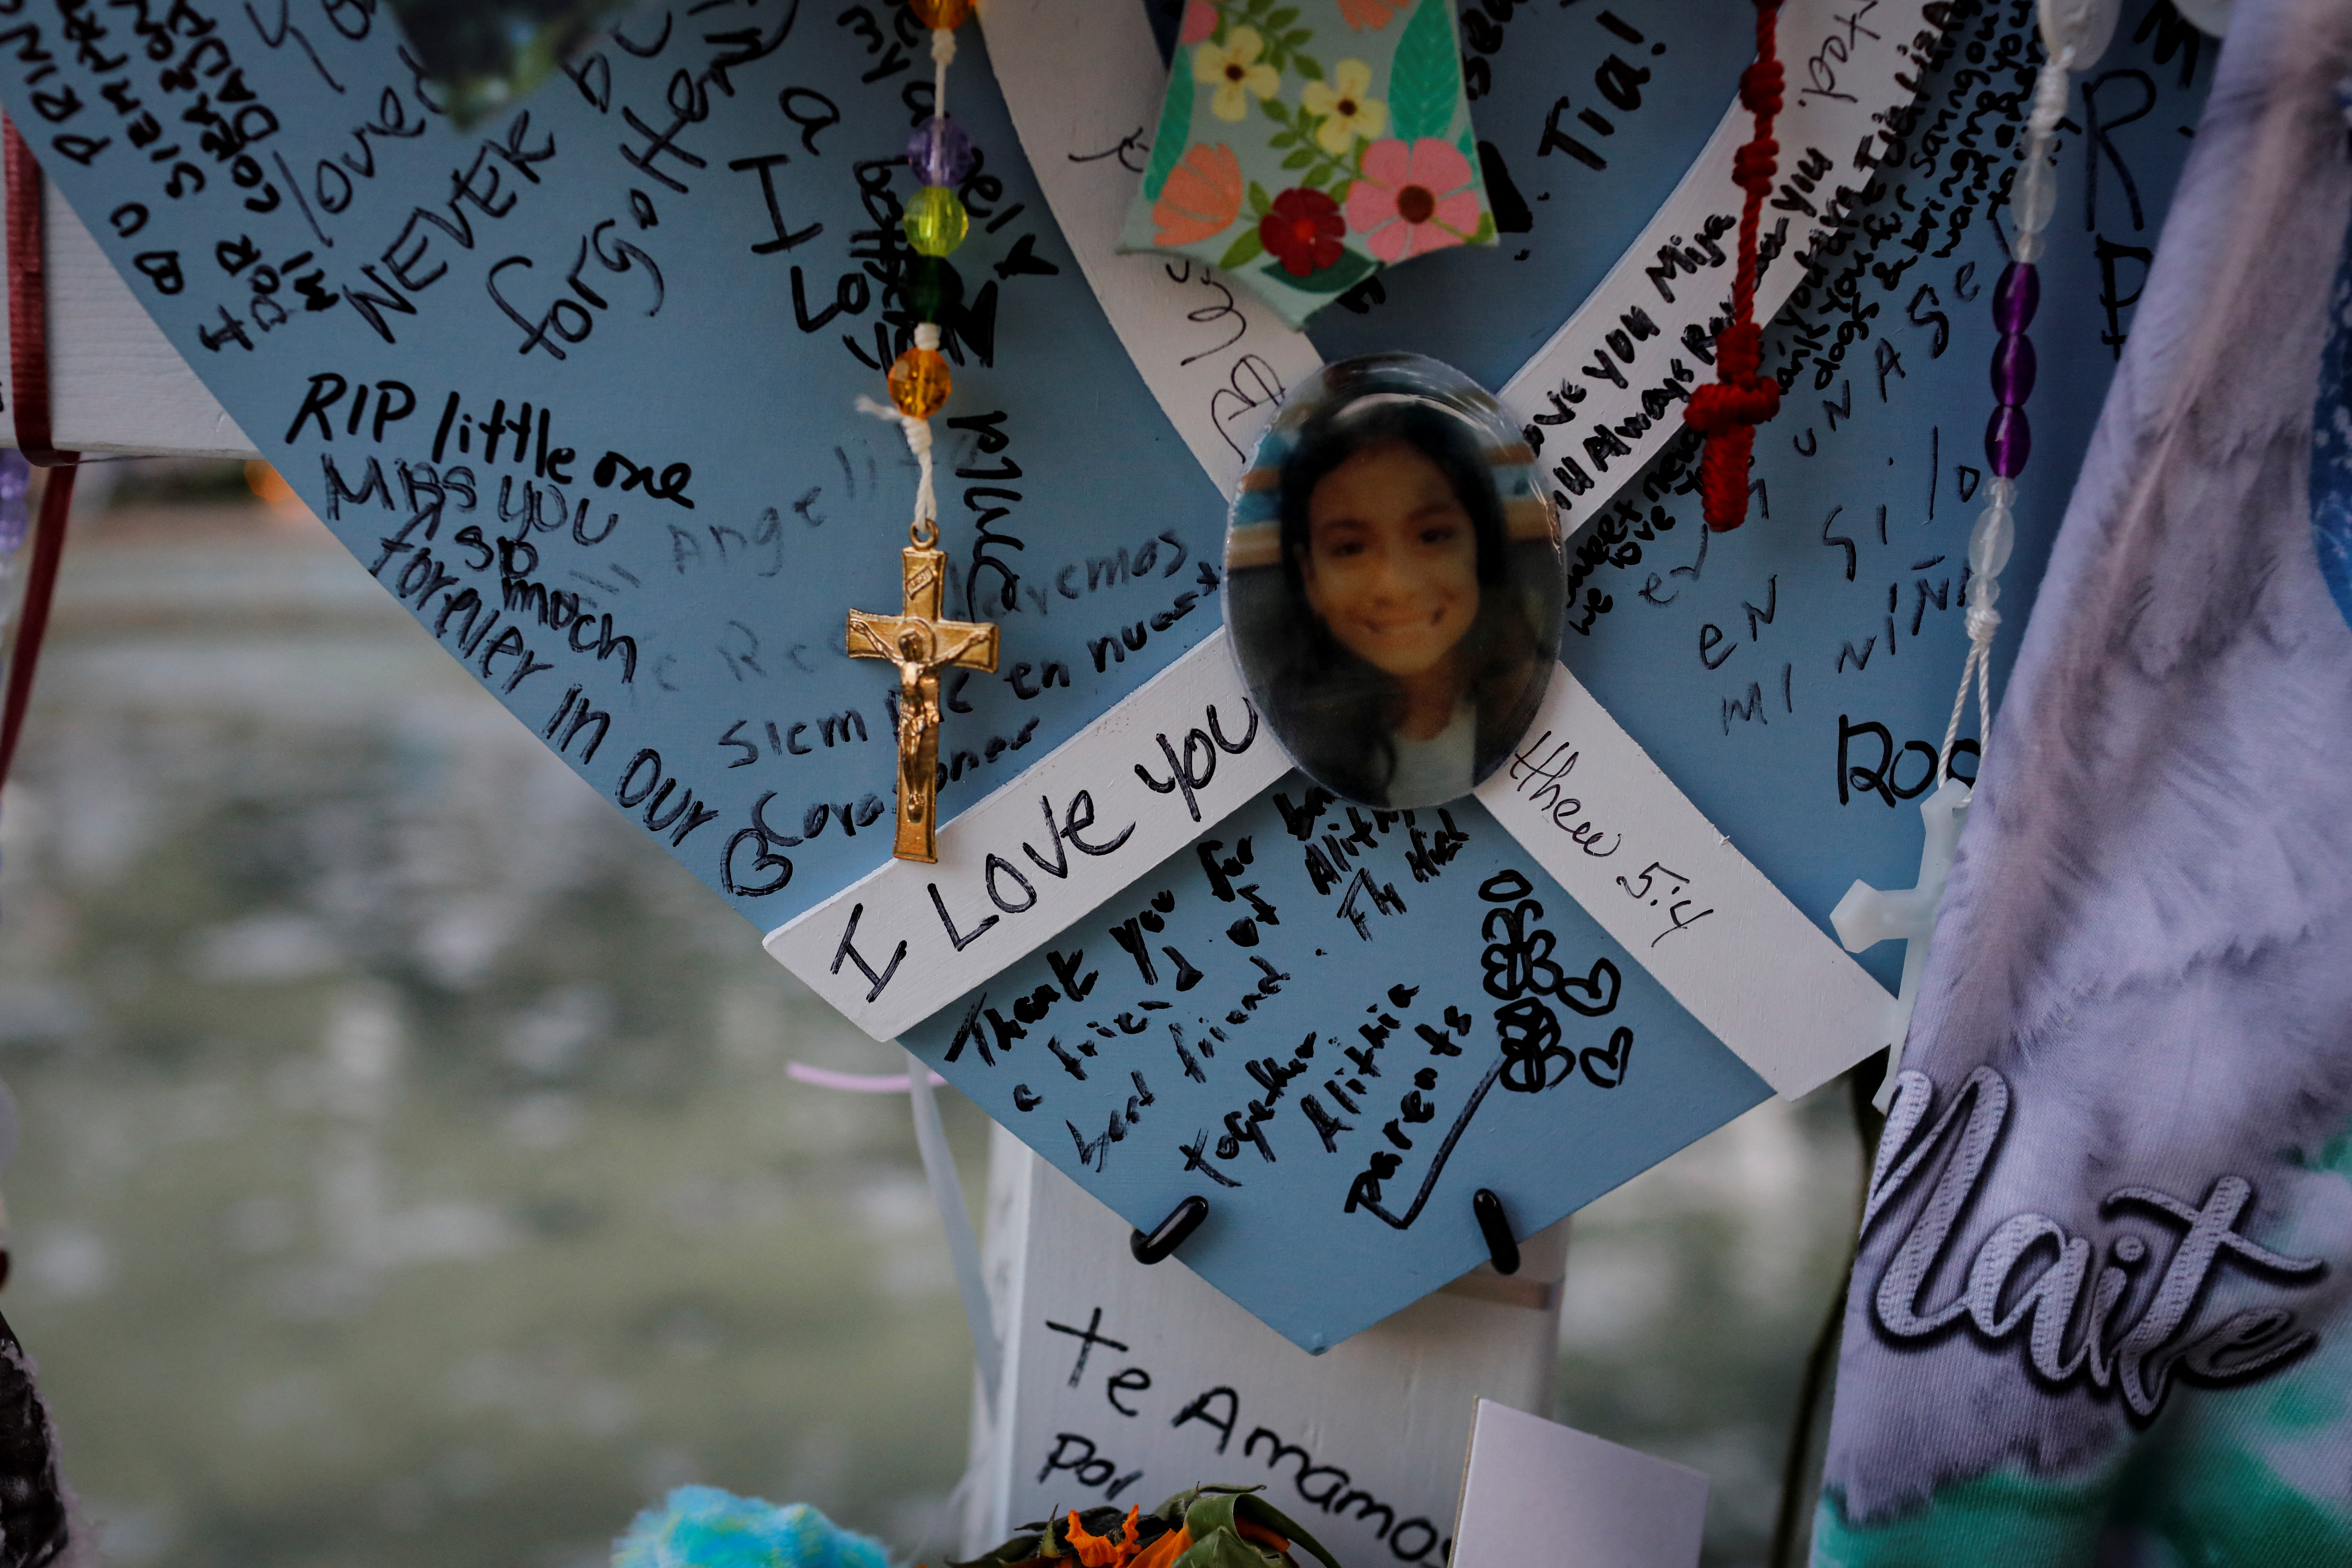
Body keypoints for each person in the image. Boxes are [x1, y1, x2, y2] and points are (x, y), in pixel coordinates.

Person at [1261, 398, 1540, 806]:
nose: (1399, 585)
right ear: (1310, 577)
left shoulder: (1535, 693)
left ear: (1479, 546)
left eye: (1432, 536)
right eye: (1351, 548)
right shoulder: (1291, 739)